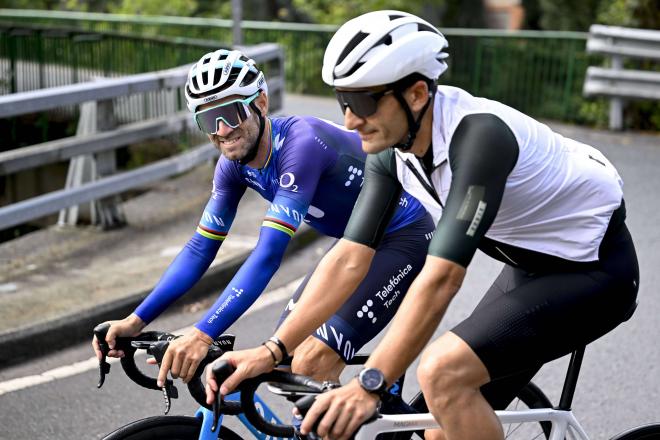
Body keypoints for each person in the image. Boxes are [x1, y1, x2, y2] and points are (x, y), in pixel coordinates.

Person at [205, 11, 640, 440]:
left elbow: (442, 277)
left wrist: (370, 383)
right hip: (529, 268)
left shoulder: (478, 138)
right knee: (436, 430)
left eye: (362, 102)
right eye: (343, 102)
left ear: (415, 94)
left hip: (594, 272)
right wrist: (272, 351)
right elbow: (350, 258)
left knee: (442, 373)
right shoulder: (390, 148)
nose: (349, 121)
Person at [91, 48, 434, 388]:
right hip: (355, 245)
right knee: (285, 363)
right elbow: (200, 250)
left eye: (230, 112)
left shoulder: (302, 144)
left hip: (404, 236)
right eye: (208, 120)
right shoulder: (230, 167)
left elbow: (269, 254)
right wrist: (136, 320)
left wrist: (202, 334)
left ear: (262, 104)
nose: (222, 130)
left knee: (312, 361)